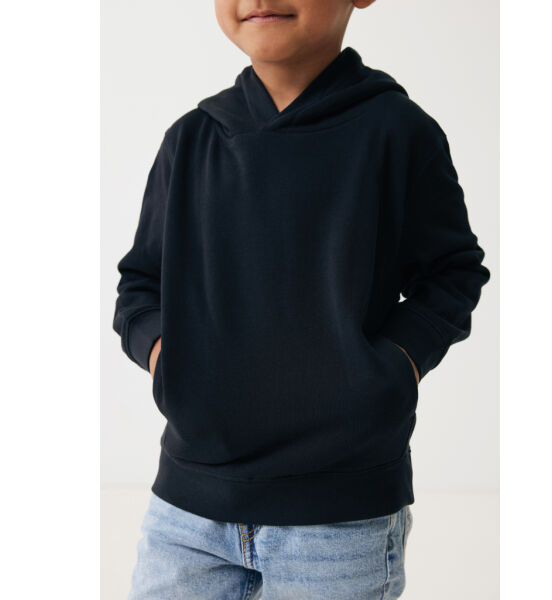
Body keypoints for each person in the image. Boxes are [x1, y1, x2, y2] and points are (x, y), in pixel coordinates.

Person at [112, 1, 491, 598]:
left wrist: (394, 368)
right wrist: (168, 361)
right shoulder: (190, 139)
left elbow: (452, 273)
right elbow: (140, 284)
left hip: (340, 519)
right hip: (186, 512)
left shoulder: (398, 131)